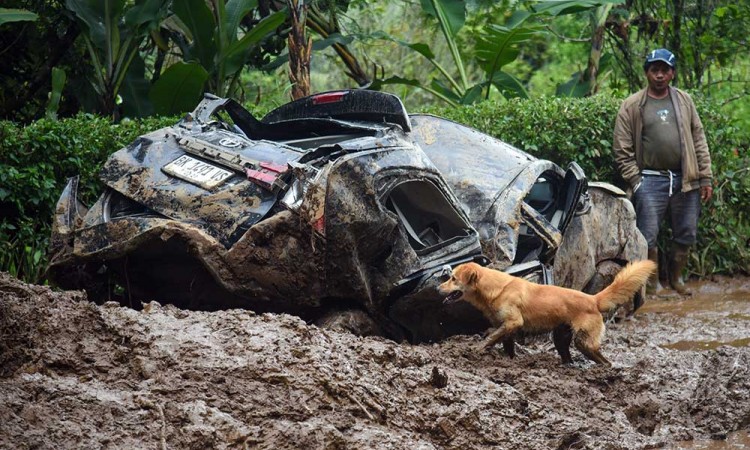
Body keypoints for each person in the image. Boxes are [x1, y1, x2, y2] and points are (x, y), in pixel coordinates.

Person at [613, 48, 713, 295]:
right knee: (648, 235)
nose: (659, 75)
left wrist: (705, 176)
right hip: (650, 180)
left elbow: (698, 138)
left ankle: (676, 281)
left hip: (685, 180)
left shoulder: (684, 101)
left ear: (672, 73)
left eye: (664, 70)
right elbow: (621, 147)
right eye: (654, 70)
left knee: (686, 231)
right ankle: (652, 284)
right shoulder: (632, 105)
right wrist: (636, 181)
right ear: (647, 72)